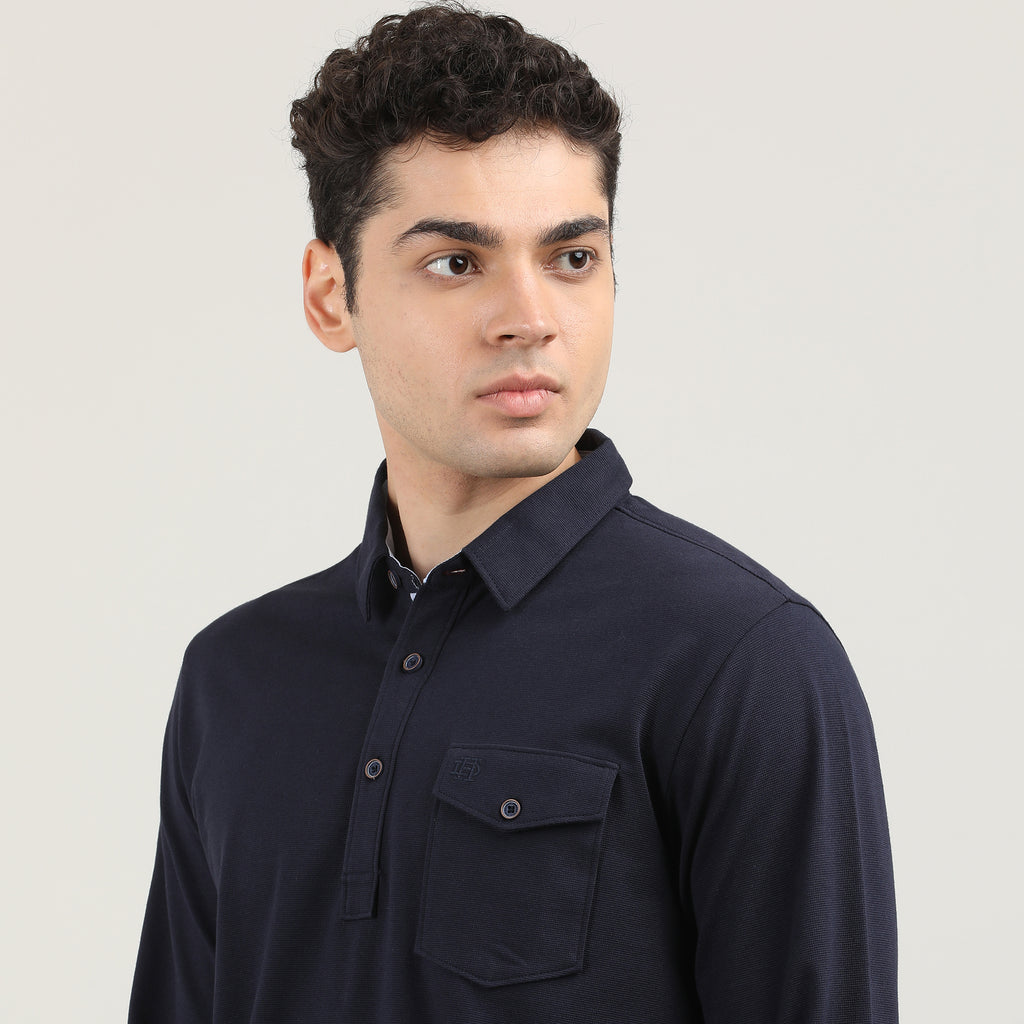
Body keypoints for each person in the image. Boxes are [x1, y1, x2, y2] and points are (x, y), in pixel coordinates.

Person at [129, 4, 898, 1022]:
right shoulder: (234, 677)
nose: (529, 319)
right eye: (457, 262)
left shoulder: (742, 661)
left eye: (571, 258)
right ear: (330, 296)